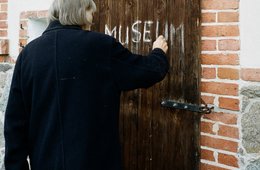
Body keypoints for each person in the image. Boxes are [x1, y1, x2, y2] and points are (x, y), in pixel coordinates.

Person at [4, 0, 169, 169]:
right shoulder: (101, 46)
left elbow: (15, 124)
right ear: (80, 12)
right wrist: (158, 52)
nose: (92, 19)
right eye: (90, 12)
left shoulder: (28, 55)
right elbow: (147, 72)